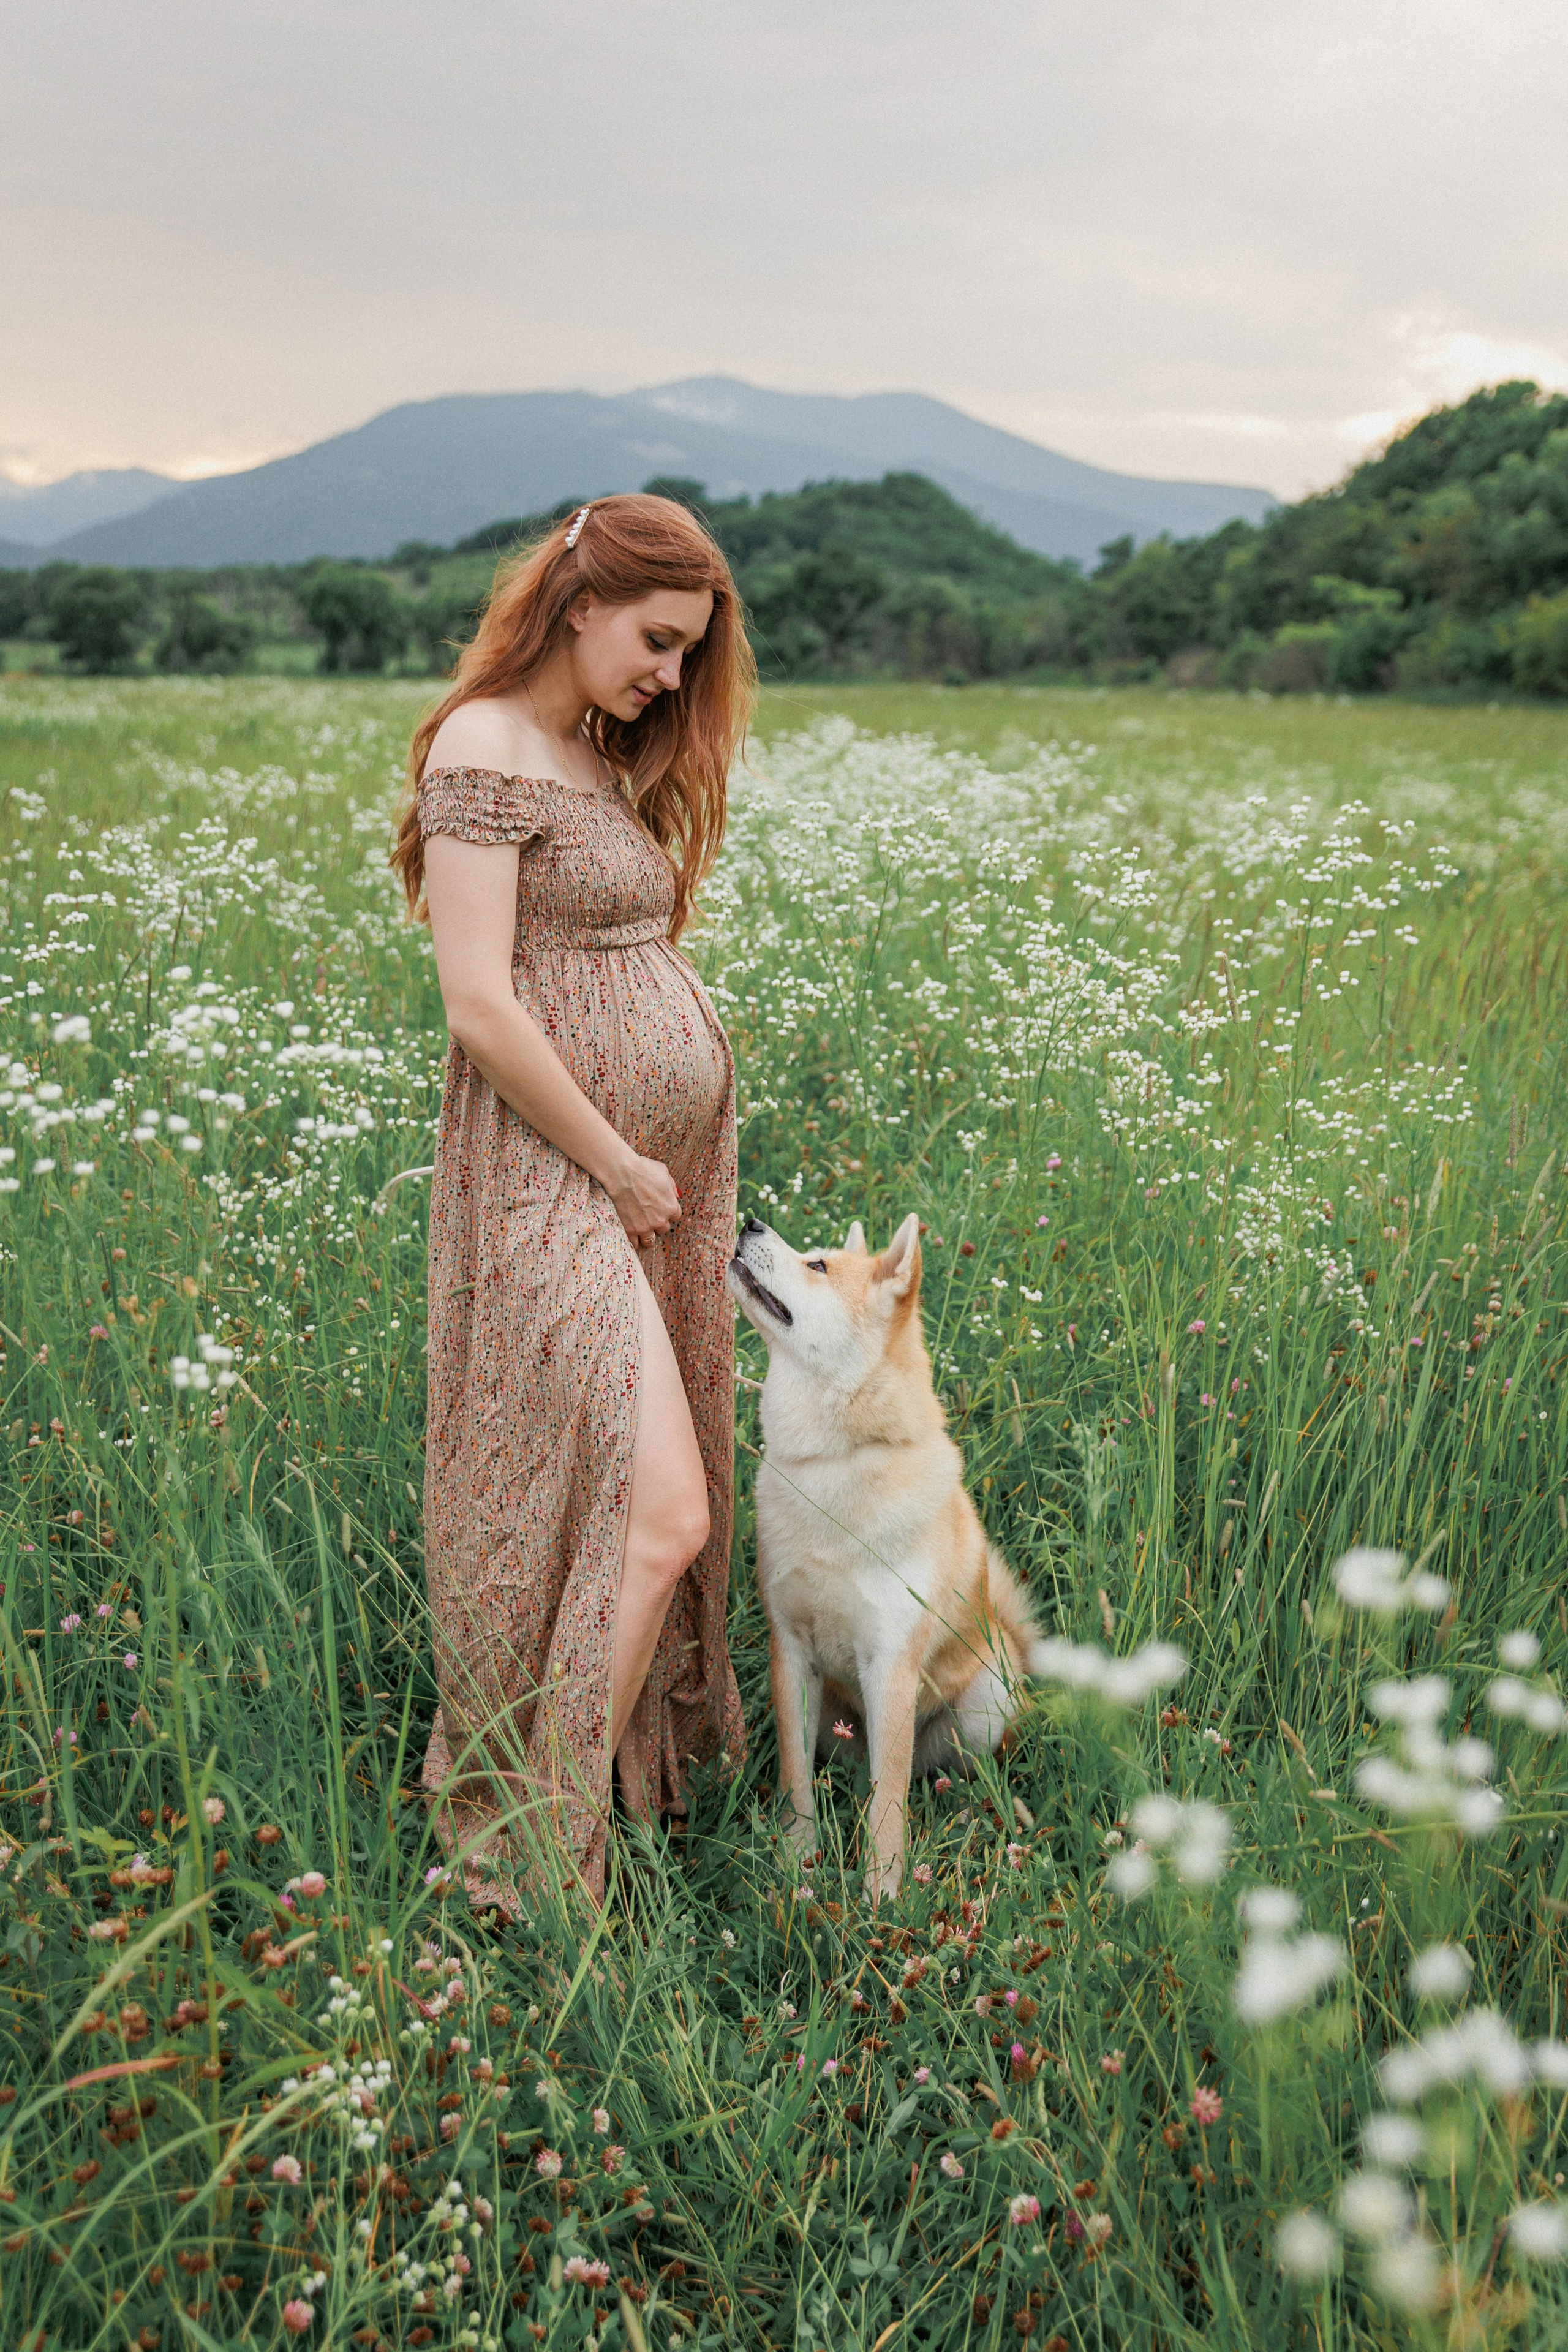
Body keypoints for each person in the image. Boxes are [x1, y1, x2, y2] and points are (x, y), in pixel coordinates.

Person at [389, 493, 755, 1909]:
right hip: (554, 1177)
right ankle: (516, 1864)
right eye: (656, 641)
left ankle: (563, 1825)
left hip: (639, 1186)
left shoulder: (594, 757)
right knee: (654, 1514)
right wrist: (612, 1156)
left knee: (634, 1504)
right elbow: (479, 1003)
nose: (668, 676)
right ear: (577, 597)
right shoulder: (487, 742)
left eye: (686, 653)